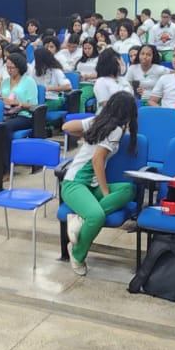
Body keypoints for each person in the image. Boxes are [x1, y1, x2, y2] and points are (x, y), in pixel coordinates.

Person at [61, 92, 140, 276]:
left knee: (129, 189)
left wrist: (88, 131)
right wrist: (105, 193)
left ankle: (79, 219)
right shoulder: (113, 128)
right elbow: (97, 160)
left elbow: (65, 126)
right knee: (97, 216)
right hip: (75, 183)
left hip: (91, 186)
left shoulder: (99, 122)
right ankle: (78, 254)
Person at [0, 51, 39, 137]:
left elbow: (34, 106)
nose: (9, 70)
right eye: (7, 67)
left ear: (19, 67)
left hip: (24, 115)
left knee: (7, 125)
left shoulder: (29, 82)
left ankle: (7, 150)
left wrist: (17, 103)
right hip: (7, 114)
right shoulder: (4, 82)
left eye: (12, 68)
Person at [33, 47, 71, 113]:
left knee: (39, 110)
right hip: (41, 97)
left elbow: (68, 87)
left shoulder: (56, 71)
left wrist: (49, 89)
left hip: (56, 97)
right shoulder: (35, 70)